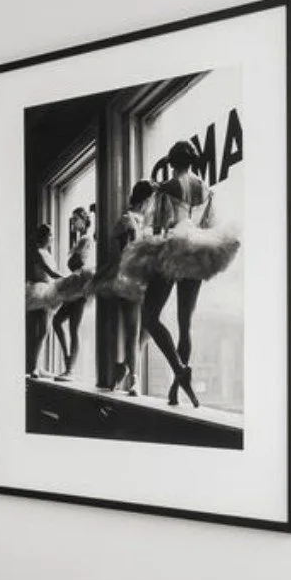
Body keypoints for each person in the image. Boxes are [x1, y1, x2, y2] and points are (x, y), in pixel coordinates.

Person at [139, 141, 241, 408]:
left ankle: (179, 368)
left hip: (173, 249)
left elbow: (159, 226)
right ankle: (176, 388)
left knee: (149, 316)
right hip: (198, 251)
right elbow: (208, 225)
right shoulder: (206, 189)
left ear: (172, 161)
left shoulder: (170, 186)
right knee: (186, 324)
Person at [101, 182, 154, 395]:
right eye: (151, 200)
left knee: (150, 326)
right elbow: (122, 252)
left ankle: (123, 366)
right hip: (131, 277)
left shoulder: (147, 222)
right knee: (132, 331)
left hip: (148, 277)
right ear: (146, 199)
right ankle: (134, 379)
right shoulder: (126, 219)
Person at [49, 206, 95, 382]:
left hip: (80, 285)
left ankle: (70, 368)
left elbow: (81, 262)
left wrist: (74, 263)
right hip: (75, 286)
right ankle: (68, 360)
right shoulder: (80, 240)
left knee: (72, 327)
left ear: (83, 220)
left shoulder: (86, 239)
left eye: (76, 219)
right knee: (57, 321)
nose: (73, 222)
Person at [24, 222, 62, 378]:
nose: (52, 238)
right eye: (50, 235)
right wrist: (70, 279)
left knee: (43, 331)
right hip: (40, 291)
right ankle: (33, 366)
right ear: (45, 237)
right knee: (39, 331)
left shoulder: (47, 253)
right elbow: (51, 273)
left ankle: (36, 366)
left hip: (46, 290)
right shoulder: (38, 253)